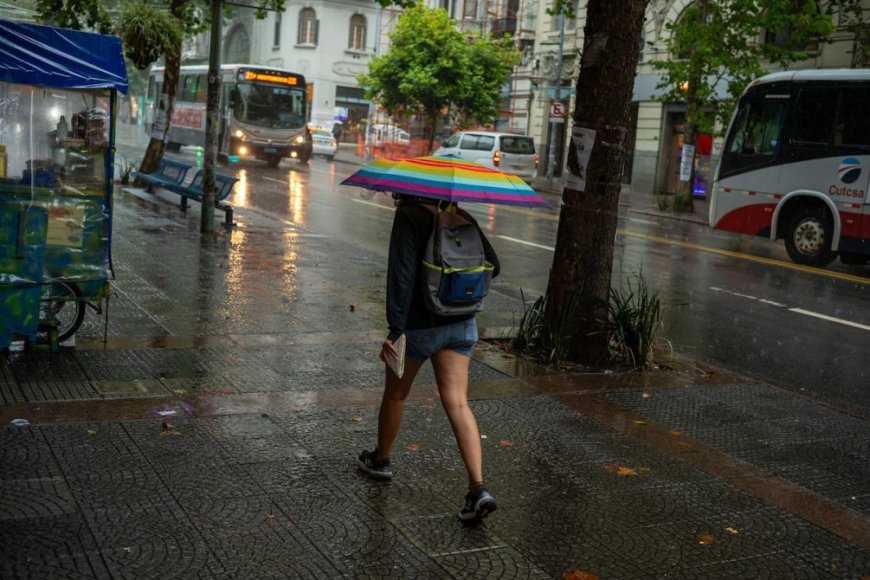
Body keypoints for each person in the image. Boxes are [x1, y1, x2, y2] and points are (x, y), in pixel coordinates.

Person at [357, 193, 500, 522]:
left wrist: (395, 330)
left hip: (420, 327)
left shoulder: (409, 216)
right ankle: (478, 488)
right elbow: (494, 265)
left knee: (396, 394)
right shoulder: (460, 215)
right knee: (458, 403)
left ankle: (381, 461)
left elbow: (402, 276)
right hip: (462, 324)